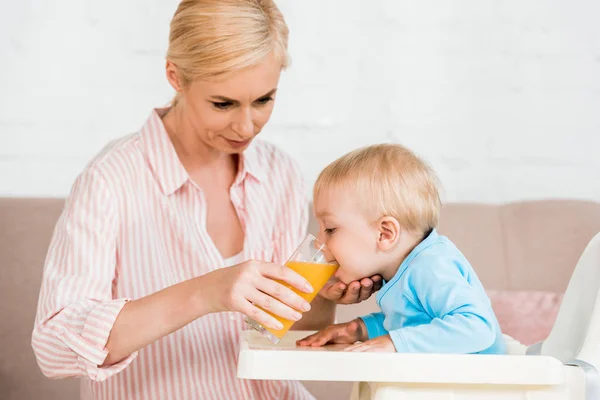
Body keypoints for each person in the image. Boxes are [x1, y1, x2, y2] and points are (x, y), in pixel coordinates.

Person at [31, 1, 380, 399]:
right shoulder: (110, 181)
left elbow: (286, 332)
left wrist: (321, 296)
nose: (247, 126)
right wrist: (205, 292)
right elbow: (54, 347)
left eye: (263, 100)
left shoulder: (279, 172)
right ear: (174, 76)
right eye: (223, 103)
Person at [298, 144, 507, 355]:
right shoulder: (404, 269)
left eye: (330, 229)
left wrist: (394, 343)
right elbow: (418, 321)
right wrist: (360, 329)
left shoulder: (431, 265)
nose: (319, 242)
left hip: (475, 387)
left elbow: (477, 328)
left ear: (385, 234)